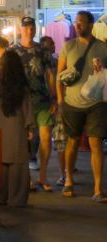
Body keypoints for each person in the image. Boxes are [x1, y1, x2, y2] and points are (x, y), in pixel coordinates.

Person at [57, 11, 107, 201]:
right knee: (73, 142)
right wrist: (60, 99)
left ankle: (97, 188)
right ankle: (68, 180)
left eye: (81, 23)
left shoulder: (103, 47)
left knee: (96, 143)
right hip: (72, 102)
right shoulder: (69, 46)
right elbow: (59, 74)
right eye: (76, 23)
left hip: (97, 103)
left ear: (91, 24)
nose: (77, 26)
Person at [11, 16, 56, 191]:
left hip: (43, 100)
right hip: (22, 102)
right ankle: (27, 178)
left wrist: (54, 98)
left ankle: (43, 177)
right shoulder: (13, 51)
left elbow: (51, 74)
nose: (29, 31)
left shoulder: (42, 50)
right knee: (25, 141)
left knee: (45, 139)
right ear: (20, 29)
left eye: (32, 27)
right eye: (26, 28)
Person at [0, 50, 35, 206]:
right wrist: (30, 128)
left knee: (0, 161)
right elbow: (27, 108)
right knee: (18, 163)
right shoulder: (23, 86)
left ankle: (0, 196)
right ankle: (17, 199)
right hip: (17, 127)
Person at [41, 36, 68, 188]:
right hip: (47, 105)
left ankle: (63, 174)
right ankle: (59, 174)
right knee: (53, 141)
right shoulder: (43, 63)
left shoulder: (58, 62)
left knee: (60, 141)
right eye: (50, 45)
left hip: (56, 105)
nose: (53, 47)